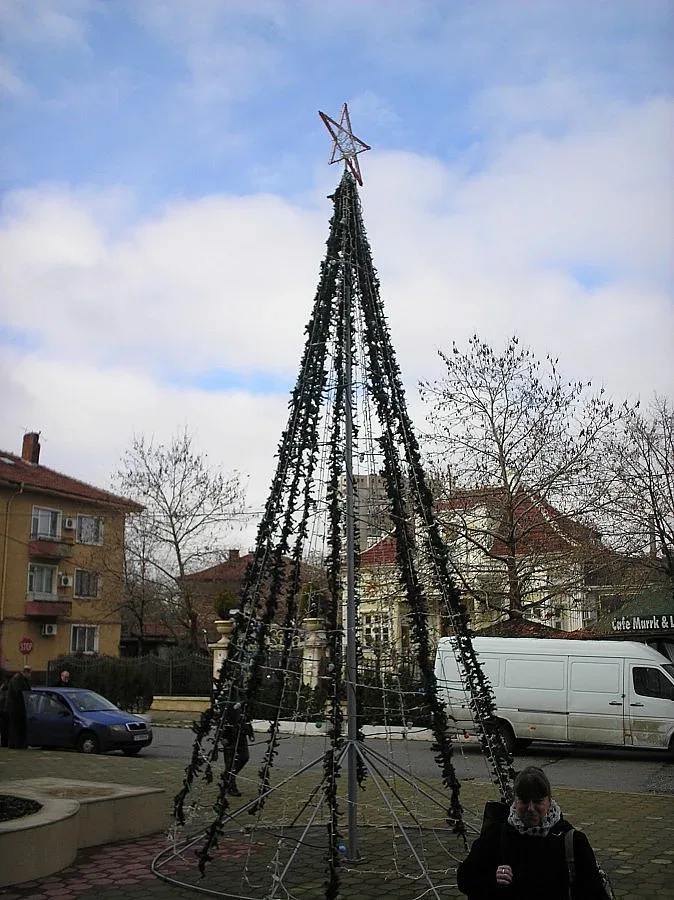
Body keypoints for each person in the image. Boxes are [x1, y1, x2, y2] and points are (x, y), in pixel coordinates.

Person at [457, 766, 607, 899]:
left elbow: (594, 893)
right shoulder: (496, 834)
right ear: (514, 800)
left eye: (537, 801)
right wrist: (492, 879)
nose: (530, 808)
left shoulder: (571, 841)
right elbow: (465, 878)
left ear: (549, 801)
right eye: (524, 801)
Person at [223, 697, 254, 797]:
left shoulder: (246, 697)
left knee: (244, 757)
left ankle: (228, 776)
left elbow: (247, 717)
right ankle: (230, 785)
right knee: (230, 760)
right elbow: (222, 717)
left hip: (241, 734)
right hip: (230, 734)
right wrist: (223, 736)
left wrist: (250, 733)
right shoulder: (229, 695)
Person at [7, 666, 32, 749]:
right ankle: (16, 744)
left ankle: (18, 744)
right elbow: (19, 693)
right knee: (16, 726)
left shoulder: (22, 679)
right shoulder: (17, 679)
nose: (30, 675)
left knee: (18, 726)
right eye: (29, 673)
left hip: (18, 707)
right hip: (15, 707)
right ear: (26, 672)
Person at [0, 672, 9, 747]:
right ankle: (4, 743)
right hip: (4, 711)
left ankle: (4, 743)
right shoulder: (4, 688)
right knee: (4, 728)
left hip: (4, 711)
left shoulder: (3, 687)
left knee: (4, 729)